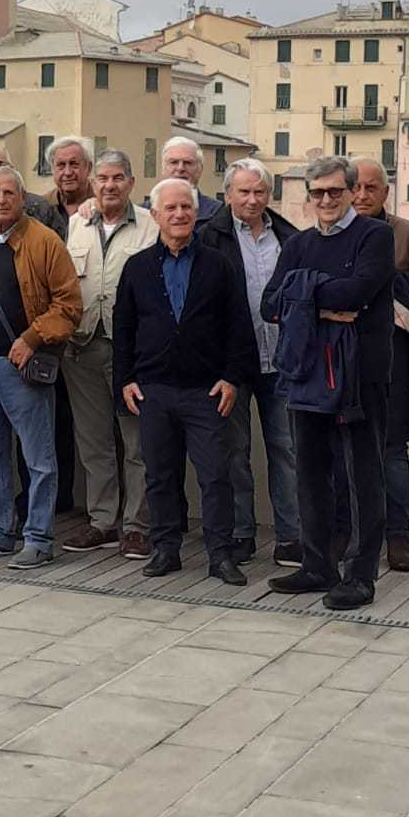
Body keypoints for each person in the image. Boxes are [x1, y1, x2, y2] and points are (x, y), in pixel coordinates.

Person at [263, 157, 395, 610]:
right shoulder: (298, 244)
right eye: (317, 193)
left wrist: (301, 295)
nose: (325, 200)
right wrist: (319, 299)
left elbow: (357, 293)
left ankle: (360, 576)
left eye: (335, 192)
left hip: (359, 376)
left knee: (362, 475)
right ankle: (318, 566)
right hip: (306, 372)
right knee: (310, 473)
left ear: (353, 192)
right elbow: (269, 304)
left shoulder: (375, 236)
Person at [112, 177, 253, 587]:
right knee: (159, 474)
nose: (178, 215)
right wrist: (125, 381)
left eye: (185, 208)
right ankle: (165, 549)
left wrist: (231, 378)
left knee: (215, 475)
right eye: (170, 208)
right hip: (153, 391)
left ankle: (220, 555)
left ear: (196, 213)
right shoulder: (137, 268)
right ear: (154, 215)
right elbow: (123, 329)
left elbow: (238, 325)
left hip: (206, 391)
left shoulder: (218, 264)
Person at [0, 166, 81, 569]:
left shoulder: (45, 242)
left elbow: (69, 306)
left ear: (23, 198)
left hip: (21, 366)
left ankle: (39, 538)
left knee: (38, 458)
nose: (2, 200)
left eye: (10, 193)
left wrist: (31, 339)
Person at [200, 159, 302, 567]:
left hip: (282, 359)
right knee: (233, 451)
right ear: (227, 195)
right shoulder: (210, 237)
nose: (252, 199)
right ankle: (241, 532)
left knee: (287, 449)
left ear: (269, 194)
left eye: (259, 191)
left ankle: (292, 536)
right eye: (243, 192)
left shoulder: (288, 237)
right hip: (232, 362)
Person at [351, 155, 409, 573]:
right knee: (340, 456)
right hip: (341, 364)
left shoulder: (406, 234)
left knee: (391, 453)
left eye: (371, 187)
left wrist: (386, 281)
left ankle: (398, 538)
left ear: (385, 193)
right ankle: (346, 535)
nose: (361, 194)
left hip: (393, 366)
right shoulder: (330, 232)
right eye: (354, 186)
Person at [62, 149, 157, 558]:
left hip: (131, 352)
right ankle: (103, 521)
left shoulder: (151, 226)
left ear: (132, 183)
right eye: (102, 178)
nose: (109, 185)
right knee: (94, 440)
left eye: (118, 178)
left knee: (137, 443)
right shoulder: (77, 223)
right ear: (92, 183)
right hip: (82, 347)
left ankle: (137, 525)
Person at [154, 138, 222, 225]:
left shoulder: (218, 213)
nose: (180, 168)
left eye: (188, 163)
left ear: (200, 169)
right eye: (174, 162)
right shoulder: (143, 214)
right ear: (163, 168)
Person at [45, 136, 95, 224]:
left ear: (88, 168)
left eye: (74, 164)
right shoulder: (43, 206)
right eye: (61, 165)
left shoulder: (104, 202)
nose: (68, 172)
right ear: (52, 169)